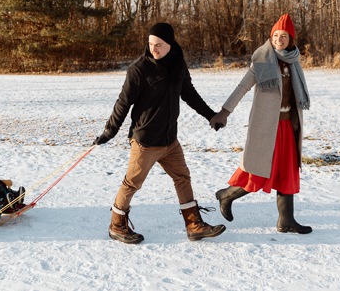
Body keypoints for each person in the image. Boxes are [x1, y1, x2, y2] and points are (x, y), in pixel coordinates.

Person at [93, 22, 226, 244]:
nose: (154, 49)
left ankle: (194, 225)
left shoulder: (178, 64)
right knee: (132, 183)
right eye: (151, 44)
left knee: (182, 177)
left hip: (169, 140)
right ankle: (116, 225)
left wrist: (210, 115)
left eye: (159, 45)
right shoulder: (139, 69)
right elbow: (123, 103)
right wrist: (110, 131)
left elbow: (189, 93)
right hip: (145, 140)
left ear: (170, 44)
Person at [210, 14, 312, 234]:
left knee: (287, 172)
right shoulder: (262, 60)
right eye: (275, 35)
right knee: (259, 171)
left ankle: (286, 221)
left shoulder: (293, 61)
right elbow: (242, 87)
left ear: (291, 39)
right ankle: (226, 195)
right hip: (267, 127)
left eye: (283, 36)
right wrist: (224, 112)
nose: (279, 40)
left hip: (288, 126)